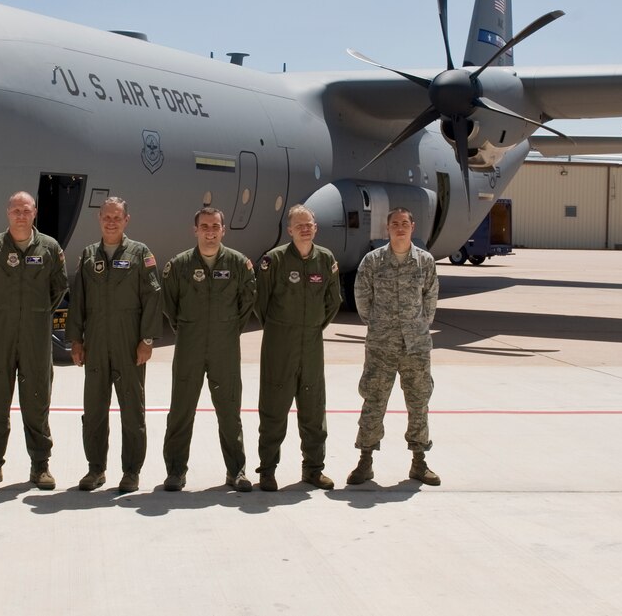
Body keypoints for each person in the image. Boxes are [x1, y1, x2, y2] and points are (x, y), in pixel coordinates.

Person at [0, 191, 69, 490]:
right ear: (7, 213)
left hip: (36, 338)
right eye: (16, 210)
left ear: (34, 212)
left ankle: (40, 466)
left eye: (26, 210)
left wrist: (37, 314)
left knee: (37, 402)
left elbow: (59, 287)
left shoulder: (50, 248)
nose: (21, 215)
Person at [66, 197, 163, 494]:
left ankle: (131, 472)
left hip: (128, 343)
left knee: (132, 411)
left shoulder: (140, 253)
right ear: (99, 219)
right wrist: (76, 340)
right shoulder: (88, 255)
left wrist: (147, 340)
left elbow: (152, 297)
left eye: (116, 217)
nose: (111, 222)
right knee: (94, 411)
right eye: (106, 217)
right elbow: (78, 300)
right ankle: (95, 469)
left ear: (126, 220)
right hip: (96, 343)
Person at [161, 206, 256, 492]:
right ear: (196, 230)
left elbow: (247, 302)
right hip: (189, 346)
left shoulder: (238, 264)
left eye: (215, 226)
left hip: (224, 348)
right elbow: (169, 304)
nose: (210, 232)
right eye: (204, 226)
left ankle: (236, 471)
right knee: (181, 411)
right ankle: (175, 472)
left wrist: (227, 329)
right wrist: (188, 328)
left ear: (223, 230)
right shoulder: (179, 265)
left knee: (229, 411)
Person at [347, 206, 441, 486]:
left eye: (404, 223)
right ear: (387, 228)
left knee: (419, 402)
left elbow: (430, 299)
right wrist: (379, 325)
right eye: (395, 224)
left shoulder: (425, 261)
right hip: (381, 346)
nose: (400, 228)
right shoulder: (373, 261)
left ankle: (419, 461)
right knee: (373, 401)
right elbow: (362, 298)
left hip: (416, 346)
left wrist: (417, 326)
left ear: (413, 227)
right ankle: (365, 461)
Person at [255, 204, 342, 491]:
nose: (305, 229)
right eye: (299, 225)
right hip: (279, 343)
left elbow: (333, 301)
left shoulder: (325, 259)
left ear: (315, 228)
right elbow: (261, 301)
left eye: (309, 225)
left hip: (312, 343)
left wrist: (313, 326)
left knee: (314, 408)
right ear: (289, 229)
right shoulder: (274, 260)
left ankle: (314, 469)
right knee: (274, 408)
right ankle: (267, 470)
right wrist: (281, 327)